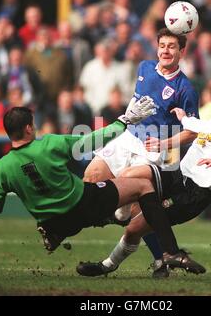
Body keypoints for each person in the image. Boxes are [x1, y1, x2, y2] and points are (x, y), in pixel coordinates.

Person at [0, 101, 197, 271]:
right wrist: (124, 121)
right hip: (83, 204)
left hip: (55, 222)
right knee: (142, 186)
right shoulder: (48, 144)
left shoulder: (2, 168)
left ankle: (61, 232)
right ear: (28, 128)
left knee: (101, 208)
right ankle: (169, 252)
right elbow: (92, 141)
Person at [76, 71, 211, 278]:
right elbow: (204, 128)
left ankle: (107, 265)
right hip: (178, 174)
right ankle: (121, 214)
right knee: (129, 175)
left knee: (136, 229)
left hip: (194, 192)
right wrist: (184, 118)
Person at [82, 28, 199, 277]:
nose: (166, 50)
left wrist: (164, 144)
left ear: (182, 51)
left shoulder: (185, 88)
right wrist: (123, 122)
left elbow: (193, 132)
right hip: (128, 137)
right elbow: (135, 101)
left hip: (154, 150)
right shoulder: (144, 68)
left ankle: (159, 260)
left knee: (135, 207)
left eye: (172, 46)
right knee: (90, 177)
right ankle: (69, 226)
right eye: (163, 45)